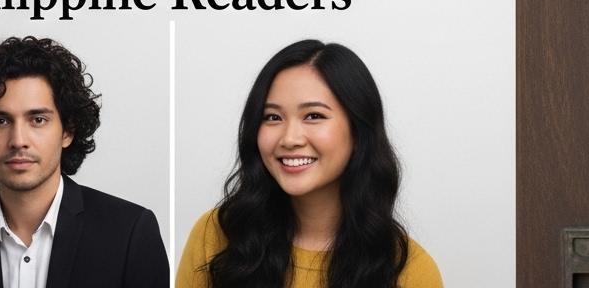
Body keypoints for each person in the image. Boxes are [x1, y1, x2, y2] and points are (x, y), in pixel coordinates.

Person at [178, 40, 442, 288]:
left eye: (313, 115)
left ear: (359, 131)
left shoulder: (410, 271)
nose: (289, 138)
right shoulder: (216, 236)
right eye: (272, 117)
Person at [0, 36, 168, 287]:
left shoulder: (129, 233)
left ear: (67, 131)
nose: (18, 140)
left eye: (37, 120)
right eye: (0, 121)